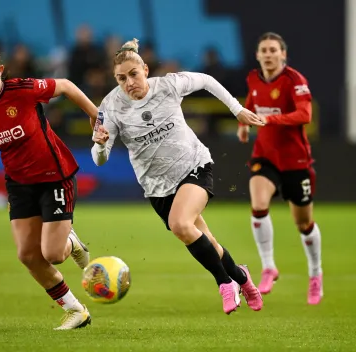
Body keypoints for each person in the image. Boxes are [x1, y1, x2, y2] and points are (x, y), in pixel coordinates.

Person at [91, 38, 265, 314]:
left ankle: (225, 283)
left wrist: (237, 110)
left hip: (194, 166)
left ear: (145, 70)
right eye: (121, 78)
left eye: (133, 74)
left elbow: (207, 80)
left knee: (181, 224)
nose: (128, 82)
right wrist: (100, 144)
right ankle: (242, 277)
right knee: (205, 239)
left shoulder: (169, 85)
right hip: (157, 187)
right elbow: (99, 160)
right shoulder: (110, 106)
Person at [0, 38, 97, 330]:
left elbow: (67, 86)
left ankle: (71, 242)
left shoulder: (23, 90)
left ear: (1, 70)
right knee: (28, 255)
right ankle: (75, 310)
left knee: (53, 254)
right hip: (19, 184)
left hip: (55, 176)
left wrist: (95, 115)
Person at [237, 32, 323, 305]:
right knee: (259, 204)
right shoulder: (254, 78)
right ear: (257, 55)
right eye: (264, 49)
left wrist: (269, 119)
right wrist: (244, 123)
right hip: (265, 156)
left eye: (274, 49)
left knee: (304, 223)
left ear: (283, 54)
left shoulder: (295, 81)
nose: (269, 54)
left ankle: (315, 273)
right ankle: (268, 266)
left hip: (296, 162)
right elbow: (252, 103)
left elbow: (304, 115)